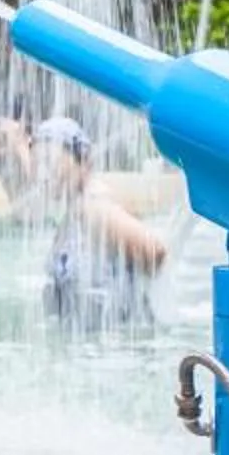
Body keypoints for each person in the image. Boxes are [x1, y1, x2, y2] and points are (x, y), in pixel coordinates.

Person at [32, 116, 166, 332]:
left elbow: (154, 251)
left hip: (114, 346)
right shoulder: (76, 209)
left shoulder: (93, 207)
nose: (43, 174)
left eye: (50, 162)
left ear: (83, 159)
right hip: (97, 342)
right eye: (38, 164)